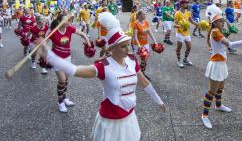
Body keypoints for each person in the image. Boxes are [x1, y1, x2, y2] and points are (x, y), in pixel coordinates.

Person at [37, 13, 165, 141]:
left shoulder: (132, 60)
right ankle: (61, 100)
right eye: (123, 46)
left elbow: (143, 82)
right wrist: (48, 56)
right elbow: (73, 70)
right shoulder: (103, 66)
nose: (128, 49)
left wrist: (157, 99)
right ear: (112, 48)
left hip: (129, 118)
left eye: (128, 44)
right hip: (110, 122)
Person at [201, 14, 242, 129]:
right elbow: (230, 45)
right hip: (216, 65)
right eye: (220, 21)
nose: (223, 23)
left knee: (221, 87)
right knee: (212, 91)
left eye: (223, 21)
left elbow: (226, 40)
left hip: (221, 64)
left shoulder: (218, 31)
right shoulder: (215, 32)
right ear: (214, 23)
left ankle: (218, 105)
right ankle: (204, 115)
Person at [48, 13, 90, 113]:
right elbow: (44, 44)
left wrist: (88, 43)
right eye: (65, 20)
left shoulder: (70, 28)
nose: (68, 22)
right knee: (62, 80)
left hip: (67, 57)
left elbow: (82, 34)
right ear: (59, 22)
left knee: (66, 79)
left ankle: (64, 98)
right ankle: (60, 102)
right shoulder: (53, 32)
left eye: (68, 20)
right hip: (56, 59)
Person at [174, 0, 199, 68]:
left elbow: (191, 21)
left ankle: (185, 59)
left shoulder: (188, 12)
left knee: (189, 47)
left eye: (187, 3)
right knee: (179, 48)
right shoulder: (177, 13)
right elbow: (174, 25)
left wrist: (198, 24)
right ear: (182, 4)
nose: (187, 5)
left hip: (187, 33)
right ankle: (179, 61)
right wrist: (181, 26)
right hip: (180, 33)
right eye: (186, 3)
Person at [133, 10, 157, 80]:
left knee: (145, 59)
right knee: (143, 59)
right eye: (144, 14)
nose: (145, 16)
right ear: (139, 15)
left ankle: (141, 73)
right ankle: (141, 74)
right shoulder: (136, 24)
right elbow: (135, 36)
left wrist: (155, 41)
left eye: (145, 14)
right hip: (138, 44)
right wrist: (139, 46)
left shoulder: (146, 22)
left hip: (146, 43)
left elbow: (150, 32)